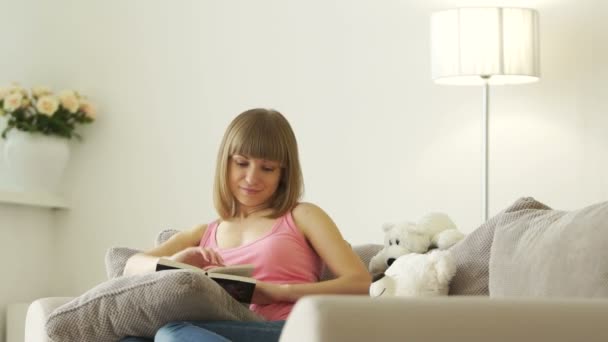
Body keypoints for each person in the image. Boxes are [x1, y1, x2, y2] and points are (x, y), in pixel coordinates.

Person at [120, 108, 371, 342]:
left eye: (267, 168)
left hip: (288, 329)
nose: (251, 178)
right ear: (225, 163)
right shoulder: (202, 234)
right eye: (241, 163)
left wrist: (277, 292)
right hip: (229, 329)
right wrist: (179, 258)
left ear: (283, 174)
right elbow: (130, 266)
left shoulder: (302, 215)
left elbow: (360, 283)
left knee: (172, 332)